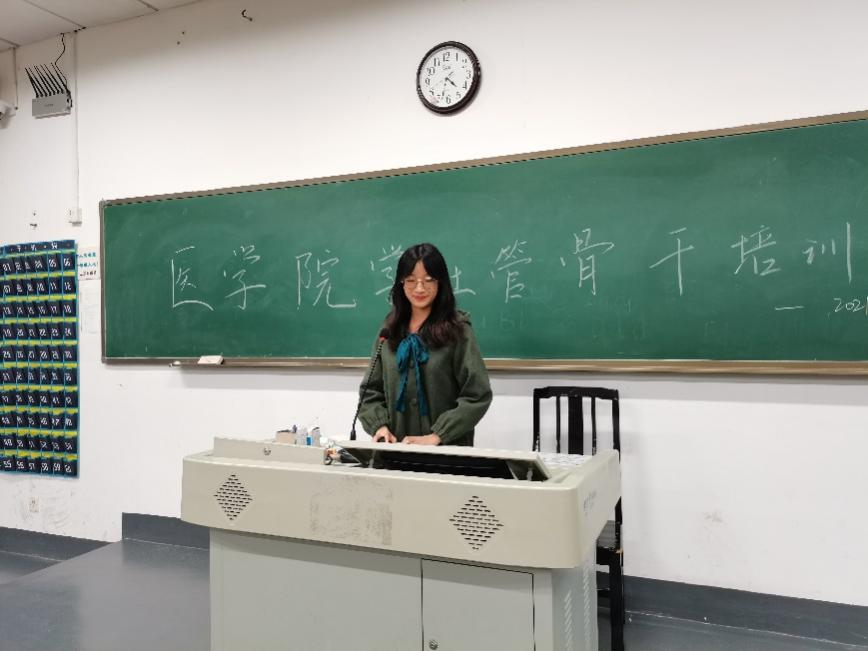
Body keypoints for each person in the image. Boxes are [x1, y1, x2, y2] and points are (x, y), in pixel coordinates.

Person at [357, 243, 492, 446]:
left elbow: (477, 394)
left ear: (440, 282)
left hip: (446, 453)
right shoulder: (389, 330)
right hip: (395, 452)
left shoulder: (458, 330)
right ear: (401, 282)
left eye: (428, 280)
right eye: (411, 280)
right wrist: (379, 426)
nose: (419, 288)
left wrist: (438, 435)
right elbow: (370, 392)